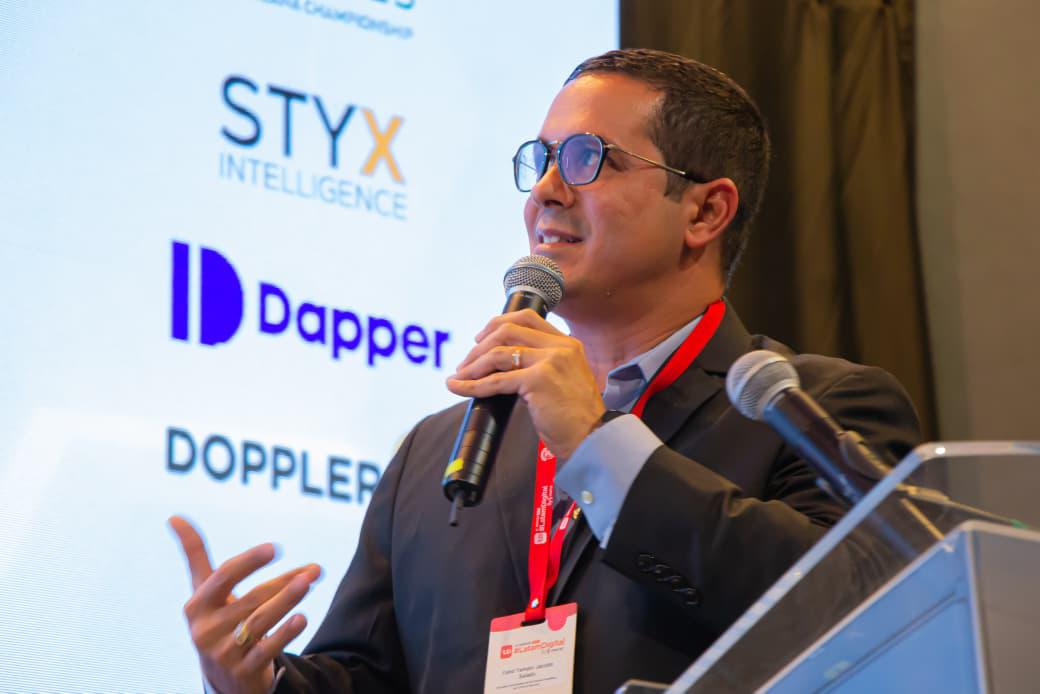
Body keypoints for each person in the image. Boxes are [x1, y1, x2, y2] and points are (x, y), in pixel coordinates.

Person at [171, 48, 920, 693]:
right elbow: (366, 677)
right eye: (543, 160)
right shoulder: (435, 452)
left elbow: (850, 610)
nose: (546, 192)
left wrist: (596, 442)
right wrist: (255, 681)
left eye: (590, 159)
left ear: (704, 212)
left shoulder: (816, 409)